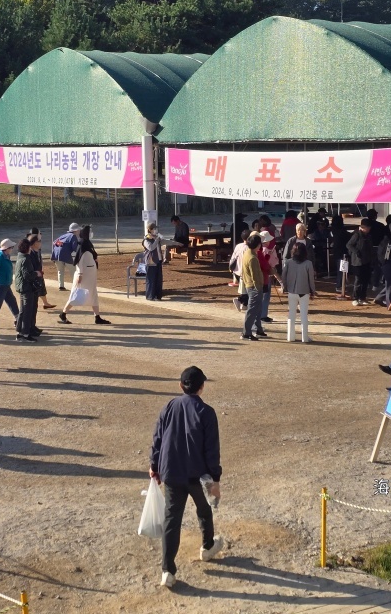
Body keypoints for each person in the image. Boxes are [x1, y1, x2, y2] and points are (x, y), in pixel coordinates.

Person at [149, 366, 224, 589]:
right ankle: (207, 546)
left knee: (172, 519)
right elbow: (212, 449)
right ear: (202, 387)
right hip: (198, 475)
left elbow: (158, 438)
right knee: (204, 509)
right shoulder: (207, 412)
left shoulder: (170, 406)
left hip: (171, 472)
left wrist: (154, 465)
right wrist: (215, 477)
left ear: (181, 385)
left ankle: (167, 570)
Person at [58, 225, 110, 324]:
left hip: (90, 275)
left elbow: (91, 256)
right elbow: (79, 261)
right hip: (84, 275)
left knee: (93, 294)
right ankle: (63, 313)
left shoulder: (87, 243)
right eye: (90, 231)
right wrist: (80, 275)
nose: (91, 233)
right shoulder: (82, 244)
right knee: (76, 295)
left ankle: (97, 317)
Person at [282, 241, 315, 343]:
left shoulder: (288, 262)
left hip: (291, 291)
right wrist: (312, 291)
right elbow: (311, 279)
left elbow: (284, 276)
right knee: (304, 315)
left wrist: (285, 287)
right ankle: (305, 337)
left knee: (291, 314)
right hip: (304, 291)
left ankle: (290, 337)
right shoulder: (308, 263)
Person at [14, 238, 40, 342]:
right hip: (26, 287)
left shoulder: (20, 257)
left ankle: (20, 331)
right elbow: (27, 275)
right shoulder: (25, 259)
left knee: (23, 310)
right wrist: (36, 274)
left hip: (22, 287)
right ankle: (25, 333)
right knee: (27, 311)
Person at [0, 239, 20, 328]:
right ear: (6, 248)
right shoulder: (0, 256)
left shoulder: (6, 255)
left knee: (11, 301)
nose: (12, 249)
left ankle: (18, 318)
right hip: (1, 284)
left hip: (6, 283)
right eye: (11, 247)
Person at [240, 233, 264, 340]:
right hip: (254, 286)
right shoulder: (252, 258)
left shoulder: (247, 253)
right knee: (252, 310)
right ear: (258, 245)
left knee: (257, 309)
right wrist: (259, 288)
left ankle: (258, 329)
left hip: (249, 285)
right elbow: (255, 276)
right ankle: (246, 332)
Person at [346, 219, 374, 305]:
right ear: (363, 227)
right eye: (367, 227)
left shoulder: (368, 236)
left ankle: (362, 298)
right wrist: (356, 251)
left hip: (367, 260)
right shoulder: (357, 235)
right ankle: (355, 298)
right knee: (358, 280)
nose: (369, 229)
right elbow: (349, 245)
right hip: (357, 261)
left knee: (365, 280)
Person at [27, 229, 55, 310]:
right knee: (35, 289)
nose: (41, 235)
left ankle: (45, 303)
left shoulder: (37, 246)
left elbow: (39, 258)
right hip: (34, 273)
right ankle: (30, 307)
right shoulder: (30, 247)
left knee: (41, 287)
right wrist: (36, 272)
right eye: (39, 234)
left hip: (38, 271)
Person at [51, 223, 81, 291]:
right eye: (78, 230)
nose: (79, 231)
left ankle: (61, 286)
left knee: (60, 271)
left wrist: (62, 247)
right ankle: (76, 286)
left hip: (56, 254)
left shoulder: (63, 235)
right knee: (73, 271)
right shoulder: (73, 236)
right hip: (65, 255)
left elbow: (54, 242)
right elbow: (75, 248)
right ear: (75, 230)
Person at [142, 222, 164, 301]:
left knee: (158, 279)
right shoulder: (146, 239)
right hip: (151, 261)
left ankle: (158, 296)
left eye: (156, 228)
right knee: (151, 279)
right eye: (154, 229)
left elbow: (159, 247)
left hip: (158, 260)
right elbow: (151, 248)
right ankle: (150, 296)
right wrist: (157, 240)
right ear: (150, 230)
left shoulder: (156, 238)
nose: (155, 230)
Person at [330, 214, 350, 299]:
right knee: (342, 269)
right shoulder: (342, 230)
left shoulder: (333, 230)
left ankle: (341, 285)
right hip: (343, 251)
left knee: (341, 269)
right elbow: (347, 236)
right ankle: (340, 286)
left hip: (336, 250)